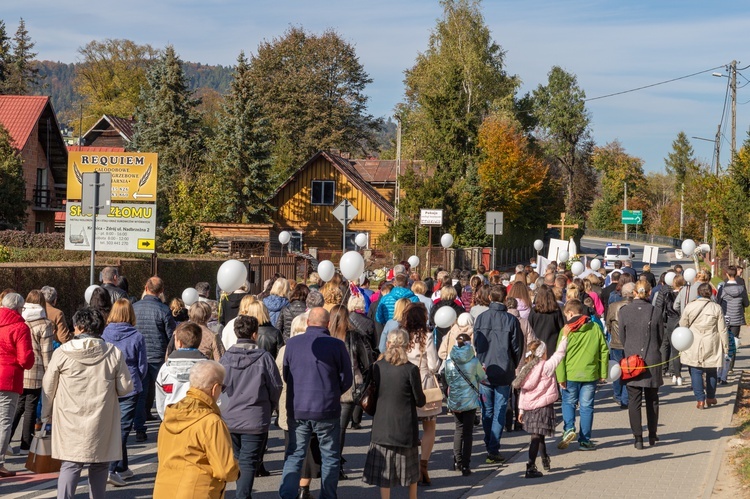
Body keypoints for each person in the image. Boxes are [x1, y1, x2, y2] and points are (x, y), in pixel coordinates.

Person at [42, 307, 133, 498]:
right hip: (102, 417)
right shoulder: (113, 353)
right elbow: (126, 387)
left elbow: (48, 387)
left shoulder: (63, 353)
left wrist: (46, 415)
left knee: (70, 464)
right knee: (99, 464)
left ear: (78, 327)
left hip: (69, 418)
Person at [279, 307, 352, 499]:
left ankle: (286, 495)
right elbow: (347, 379)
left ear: (308, 322)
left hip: (298, 407)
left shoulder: (292, 344)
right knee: (330, 457)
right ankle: (328, 495)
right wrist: (332, 392)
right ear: (328, 324)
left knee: (295, 455)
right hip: (327, 408)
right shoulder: (337, 345)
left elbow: (287, 375)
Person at [153, 360, 239, 498]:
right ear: (215, 388)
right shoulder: (211, 422)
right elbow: (225, 470)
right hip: (198, 492)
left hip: (164, 491)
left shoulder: (170, 415)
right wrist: (237, 470)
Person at [220, 315, 282, 499]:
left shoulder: (225, 358)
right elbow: (276, 386)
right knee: (247, 461)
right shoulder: (264, 358)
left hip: (230, 417)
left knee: (240, 458)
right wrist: (270, 407)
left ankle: (243, 494)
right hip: (255, 417)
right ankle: (242, 495)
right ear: (255, 334)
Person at [363, 329, 425, 499]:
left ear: (388, 344)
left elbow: (368, 393)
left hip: (382, 426)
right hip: (405, 428)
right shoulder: (411, 369)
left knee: (384, 473)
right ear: (407, 346)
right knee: (411, 472)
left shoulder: (377, 367)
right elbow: (420, 401)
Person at [101, 298, 148, 485]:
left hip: (109, 383)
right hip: (130, 384)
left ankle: (122, 467)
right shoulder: (137, 336)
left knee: (114, 426)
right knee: (122, 428)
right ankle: (110, 469)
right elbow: (142, 366)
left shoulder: (104, 334)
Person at [473, 284, 522, 464]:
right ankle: (492, 446)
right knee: (498, 410)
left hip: (485, 368)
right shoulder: (510, 320)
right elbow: (517, 347)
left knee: (489, 410)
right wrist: (512, 365)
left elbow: (477, 343)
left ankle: (490, 444)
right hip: (503, 369)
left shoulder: (481, 318)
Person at [555, 299, 609, 451]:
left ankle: (569, 429)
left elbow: (560, 354)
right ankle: (584, 440)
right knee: (586, 407)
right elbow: (604, 350)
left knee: (568, 403)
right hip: (590, 374)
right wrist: (603, 372)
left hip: (570, 373)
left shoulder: (566, 330)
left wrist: (560, 377)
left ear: (570, 313)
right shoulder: (595, 328)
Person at [513, 333, 569, 478]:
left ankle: (544, 459)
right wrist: (564, 337)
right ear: (543, 353)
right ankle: (530, 466)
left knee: (538, 435)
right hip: (543, 406)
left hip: (530, 408)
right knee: (537, 437)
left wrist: (520, 409)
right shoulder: (546, 367)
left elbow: (523, 392)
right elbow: (560, 353)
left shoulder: (526, 369)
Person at [619, 280, 663, 449]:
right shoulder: (656, 311)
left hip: (632, 362)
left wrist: (630, 349)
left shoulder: (624, 311)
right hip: (651, 359)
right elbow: (660, 337)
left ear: (634, 293)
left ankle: (638, 438)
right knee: (652, 399)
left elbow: (622, 337)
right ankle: (652, 434)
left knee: (634, 400)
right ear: (649, 293)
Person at [329, 305, 371, 480]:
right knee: (339, 428)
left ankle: (330, 463)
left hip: (327, 387)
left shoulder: (325, 337)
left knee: (329, 429)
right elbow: (366, 363)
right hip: (349, 387)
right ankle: (335, 464)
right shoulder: (354, 336)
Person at [11, 290, 54, 456]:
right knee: (31, 406)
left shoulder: (19, 320)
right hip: (36, 370)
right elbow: (47, 353)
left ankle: (6, 441)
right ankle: (25, 444)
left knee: (18, 405)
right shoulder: (45, 324)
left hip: (20, 369)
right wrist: (50, 374)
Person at [133, 277, 176, 441]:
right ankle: (165, 425)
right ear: (161, 291)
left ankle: (139, 428)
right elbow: (171, 335)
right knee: (164, 392)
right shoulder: (164, 310)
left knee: (141, 393)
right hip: (159, 356)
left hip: (140, 356)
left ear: (146, 287)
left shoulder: (134, 308)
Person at [404, 303, 440, 485]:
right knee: (429, 427)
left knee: (407, 426)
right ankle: (423, 465)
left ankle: (408, 466)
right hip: (424, 381)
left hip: (404, 382)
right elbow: (433, 364)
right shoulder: (426, 336)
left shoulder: (402, 334)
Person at [679, 283, 728, 409]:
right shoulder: (716, 308)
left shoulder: (690, 306)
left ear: (698, 292)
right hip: (711, 341)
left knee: (696, 370)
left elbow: (683, 325)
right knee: (711, 370)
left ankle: (700, 399)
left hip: (694, 341)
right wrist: (725, 347)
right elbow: (722, 329)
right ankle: (710, 397)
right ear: (711, 293)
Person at [0, 293, 33, 476]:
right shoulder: (20, 327)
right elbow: (25, 359)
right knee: (4, 421)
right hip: (8, 377)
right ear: (19, 308)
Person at [444, 333, 486, 476]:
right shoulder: (474, 361)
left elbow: (448, 379)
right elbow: (481, 377)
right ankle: (466, 466)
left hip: (456, 400)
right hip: (470, 400)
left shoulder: (449, 362)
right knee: (468, 433)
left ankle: (457, 461)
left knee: (458, 430)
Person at [155, 322, 207, 419]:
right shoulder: (208, 368)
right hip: (199, 419)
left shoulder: (165, 368)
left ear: (179, 343)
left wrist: (164, 417)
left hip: (172, 419)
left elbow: (160, 398)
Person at [606, 282, 635, 409]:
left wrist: (613, 334)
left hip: (616, 343)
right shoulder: (636, 306)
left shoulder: (613, 306)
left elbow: (608, 324)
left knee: (617, 370)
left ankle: (618, 395)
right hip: (631, 343)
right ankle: (624, 397)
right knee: (628, 371)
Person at [529, 286, 565, 357]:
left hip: (537, 345)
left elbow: (530, 328)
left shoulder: (534, 311)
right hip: (552, 345)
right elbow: (561, 328)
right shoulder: (556, 311)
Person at [717, 265, 748, 343]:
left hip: (725, 317)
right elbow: (746, 303)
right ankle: (733, 354)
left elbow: (718, 303)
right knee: (734, 340)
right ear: (736, 274)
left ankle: (726, 354)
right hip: (737, 318)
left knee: (725, 339)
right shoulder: (741, 289)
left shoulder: (723, 289)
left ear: (727, 274)